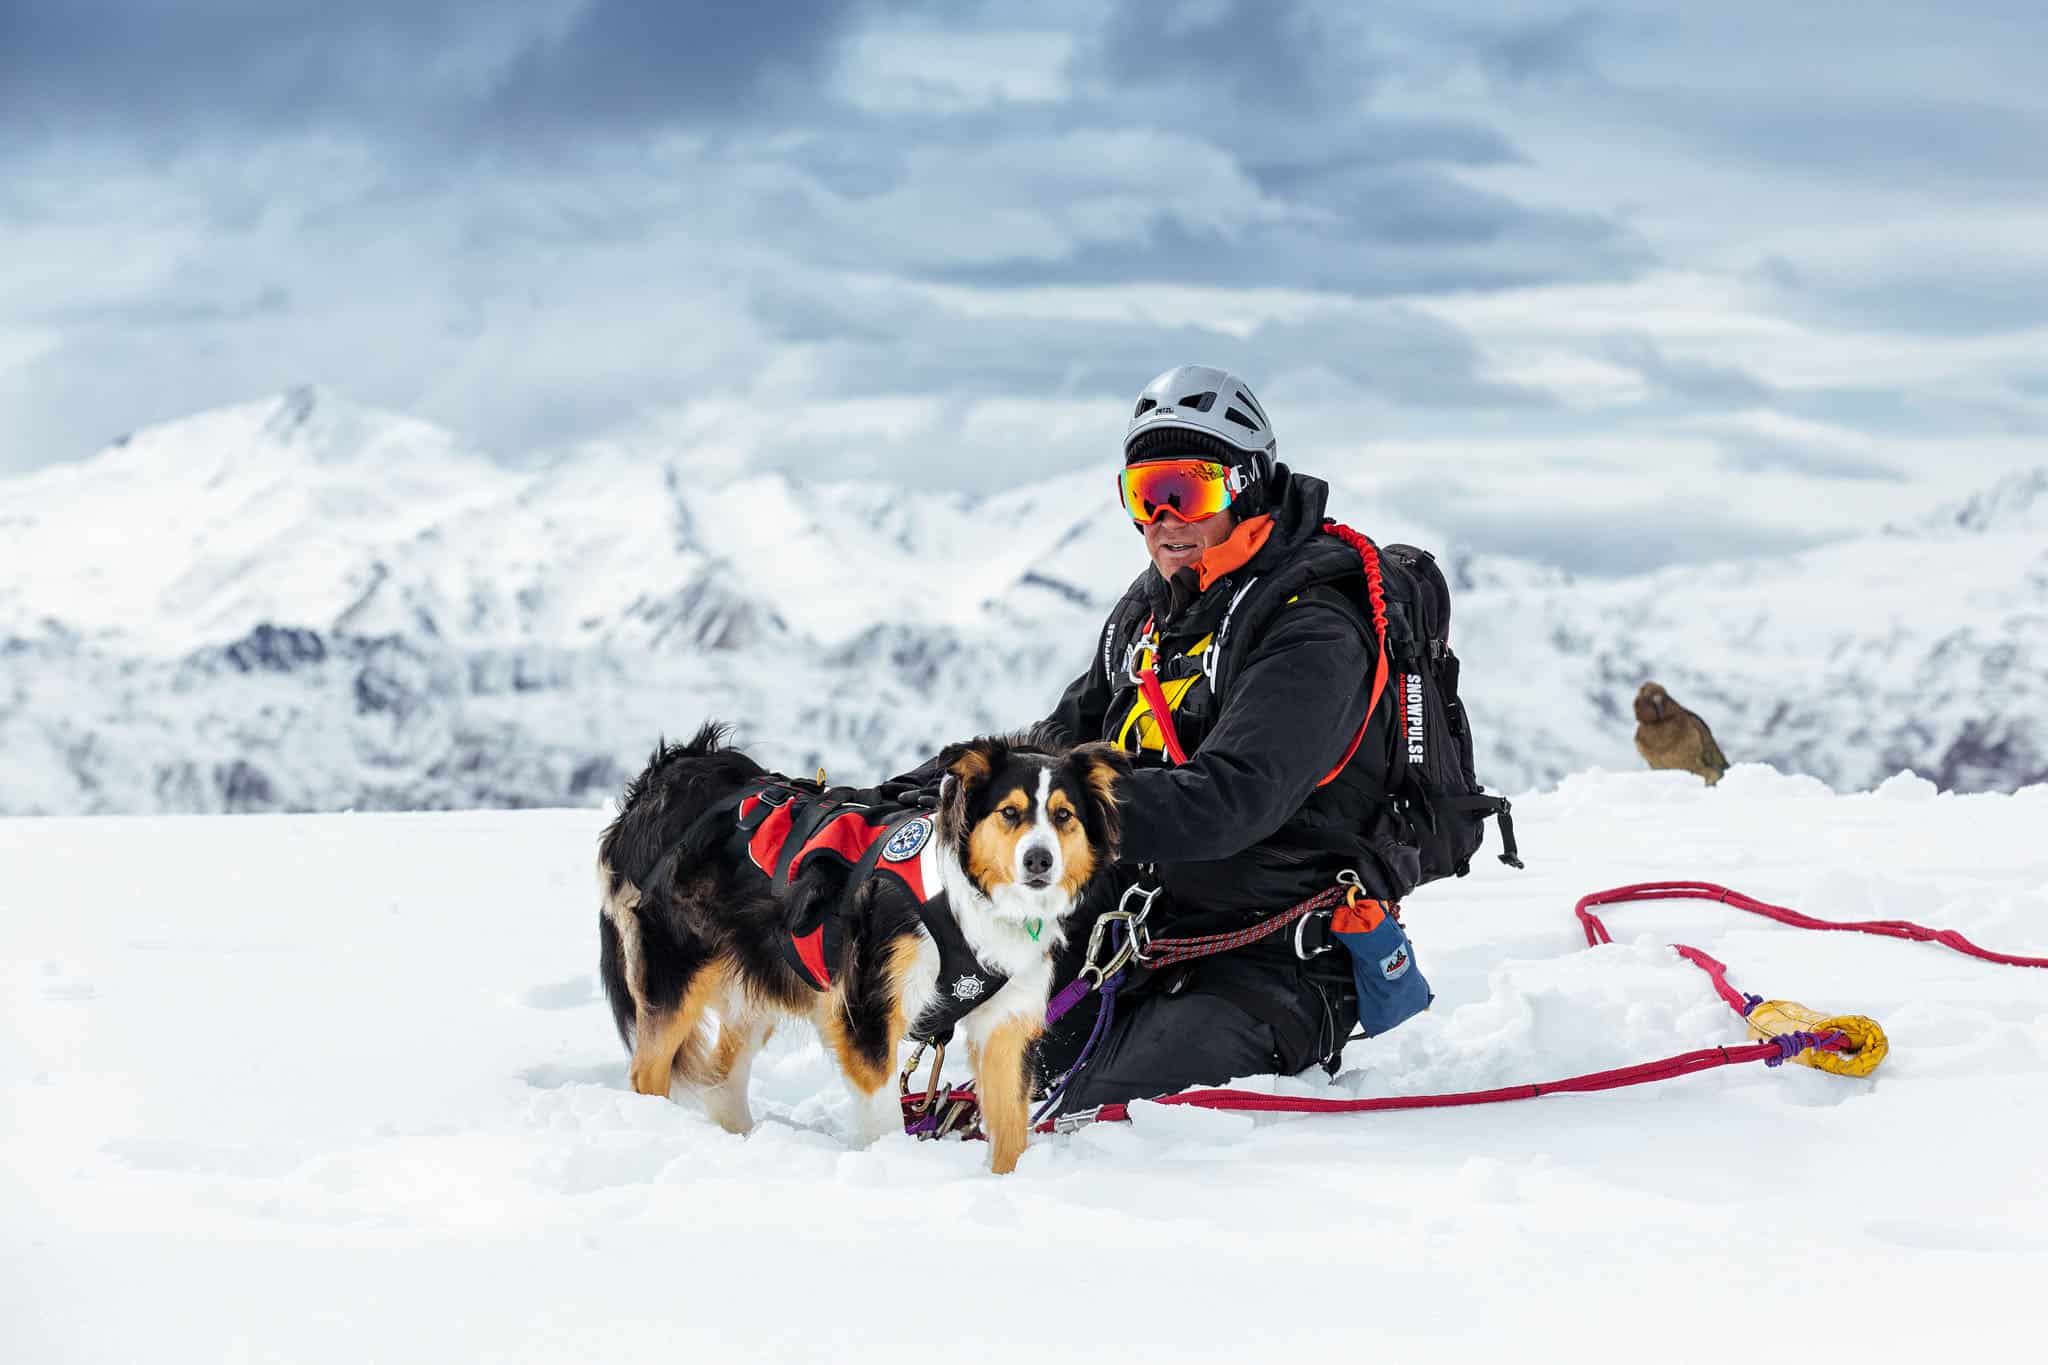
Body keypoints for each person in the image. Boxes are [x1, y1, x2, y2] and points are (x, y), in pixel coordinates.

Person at [1029, 364, 1413, 1115]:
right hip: (1143, 939)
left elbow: (1231, 799)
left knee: (1091, 1125)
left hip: (1272, 968)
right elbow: (1054, 747)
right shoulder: (1156, 611)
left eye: (1187, 491)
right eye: (1144, 495)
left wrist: (1051, 811)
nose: (1161, 520)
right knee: (997, 1068)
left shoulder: (1313, 629)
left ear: (1246, 485)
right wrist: (935, 797)